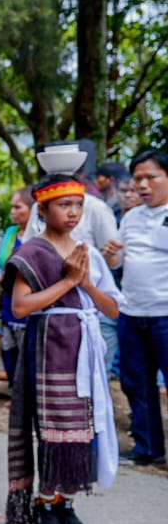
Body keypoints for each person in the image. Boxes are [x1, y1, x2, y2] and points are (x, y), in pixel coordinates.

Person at [4, 175, 121, 524]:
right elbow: (20, 307)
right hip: (49, 347)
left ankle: (66, 501)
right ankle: (44, 501)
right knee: (53, 429)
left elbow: (113, 310)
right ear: (43, 209)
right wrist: (69, 282)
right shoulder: (31, 252)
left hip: (84, 347)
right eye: (63, 205)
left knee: (83, 426)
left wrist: (84, 282)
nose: (72, 213)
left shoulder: (89, 252)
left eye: (78, 205)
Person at [103, 150, 168, 466]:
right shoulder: (130, 217)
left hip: (165, 313)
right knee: (136, 382)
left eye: (150, 177)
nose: (142, 185)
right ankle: (148, 447)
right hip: (132, 313)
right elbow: (119, 263)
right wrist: (112, 256)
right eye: (138, 178)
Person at [0, 188, 32, 381]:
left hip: (31, 302)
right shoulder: (9, 235)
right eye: (12, 208)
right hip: (9, 299)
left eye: (18, 207)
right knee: (8, 345)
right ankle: (14, 388)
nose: (13, 212)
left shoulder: (38, 236)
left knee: (29, 348)